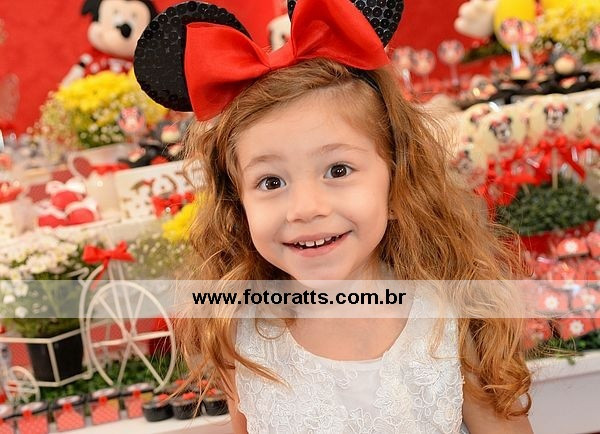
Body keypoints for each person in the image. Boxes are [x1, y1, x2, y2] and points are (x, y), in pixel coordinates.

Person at [134, 0, 533, 432]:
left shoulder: (448, 316)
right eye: (271, 181)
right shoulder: (242, 333)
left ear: (397, 180)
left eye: (338, 170)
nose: (306, 208)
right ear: (237, 203)